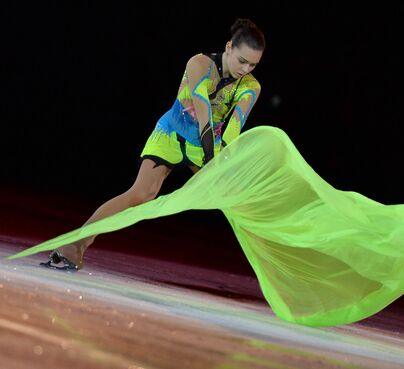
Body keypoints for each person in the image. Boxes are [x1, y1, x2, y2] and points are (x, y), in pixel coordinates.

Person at [41, 18, 265, 271]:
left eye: (253, 64)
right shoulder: (199, 63)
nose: (246, 69)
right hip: (171, 135)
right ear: (228, 48)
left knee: (239, 204)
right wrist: (211, 153)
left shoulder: (251, 86)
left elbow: (235, 126)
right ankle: (75, 246)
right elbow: (201, 105)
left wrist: (224, 162)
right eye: (242, 60)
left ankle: (287, 274)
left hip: (207, 145)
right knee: (141, 194)